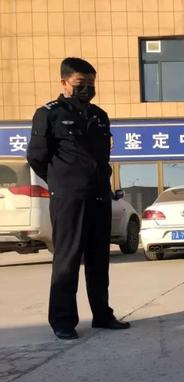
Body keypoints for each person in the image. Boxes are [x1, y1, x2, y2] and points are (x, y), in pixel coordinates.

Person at [26, 57, 129, 340]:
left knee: (99, 259)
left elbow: (102, 156)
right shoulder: (49, 114)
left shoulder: (99, 115)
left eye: (91, 84)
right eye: (80, 83)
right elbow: (36, 157)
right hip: (69, 197)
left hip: (99, 195)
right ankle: (63, 321)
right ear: (64, 82)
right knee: (68, 259)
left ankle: (102, 314)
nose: (87, 89)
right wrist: (62, 182)